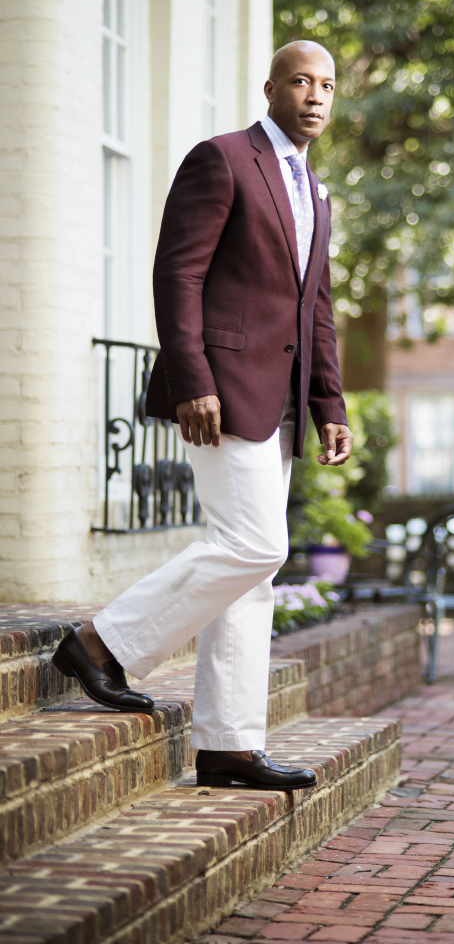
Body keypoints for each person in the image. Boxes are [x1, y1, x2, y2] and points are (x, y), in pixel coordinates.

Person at [52, 40, 352, 791]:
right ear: (271, 87)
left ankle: (229, 745)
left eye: (326, 85)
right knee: (255, 546)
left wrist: (326, 403)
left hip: (280, 401)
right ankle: (99, 642)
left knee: (249, 576)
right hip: (218, 390)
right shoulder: (222, 159)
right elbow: (178, 271)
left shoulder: (315, 193)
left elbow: (315, 310)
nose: (314, 96)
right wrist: (192, 378)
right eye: (300, 82)